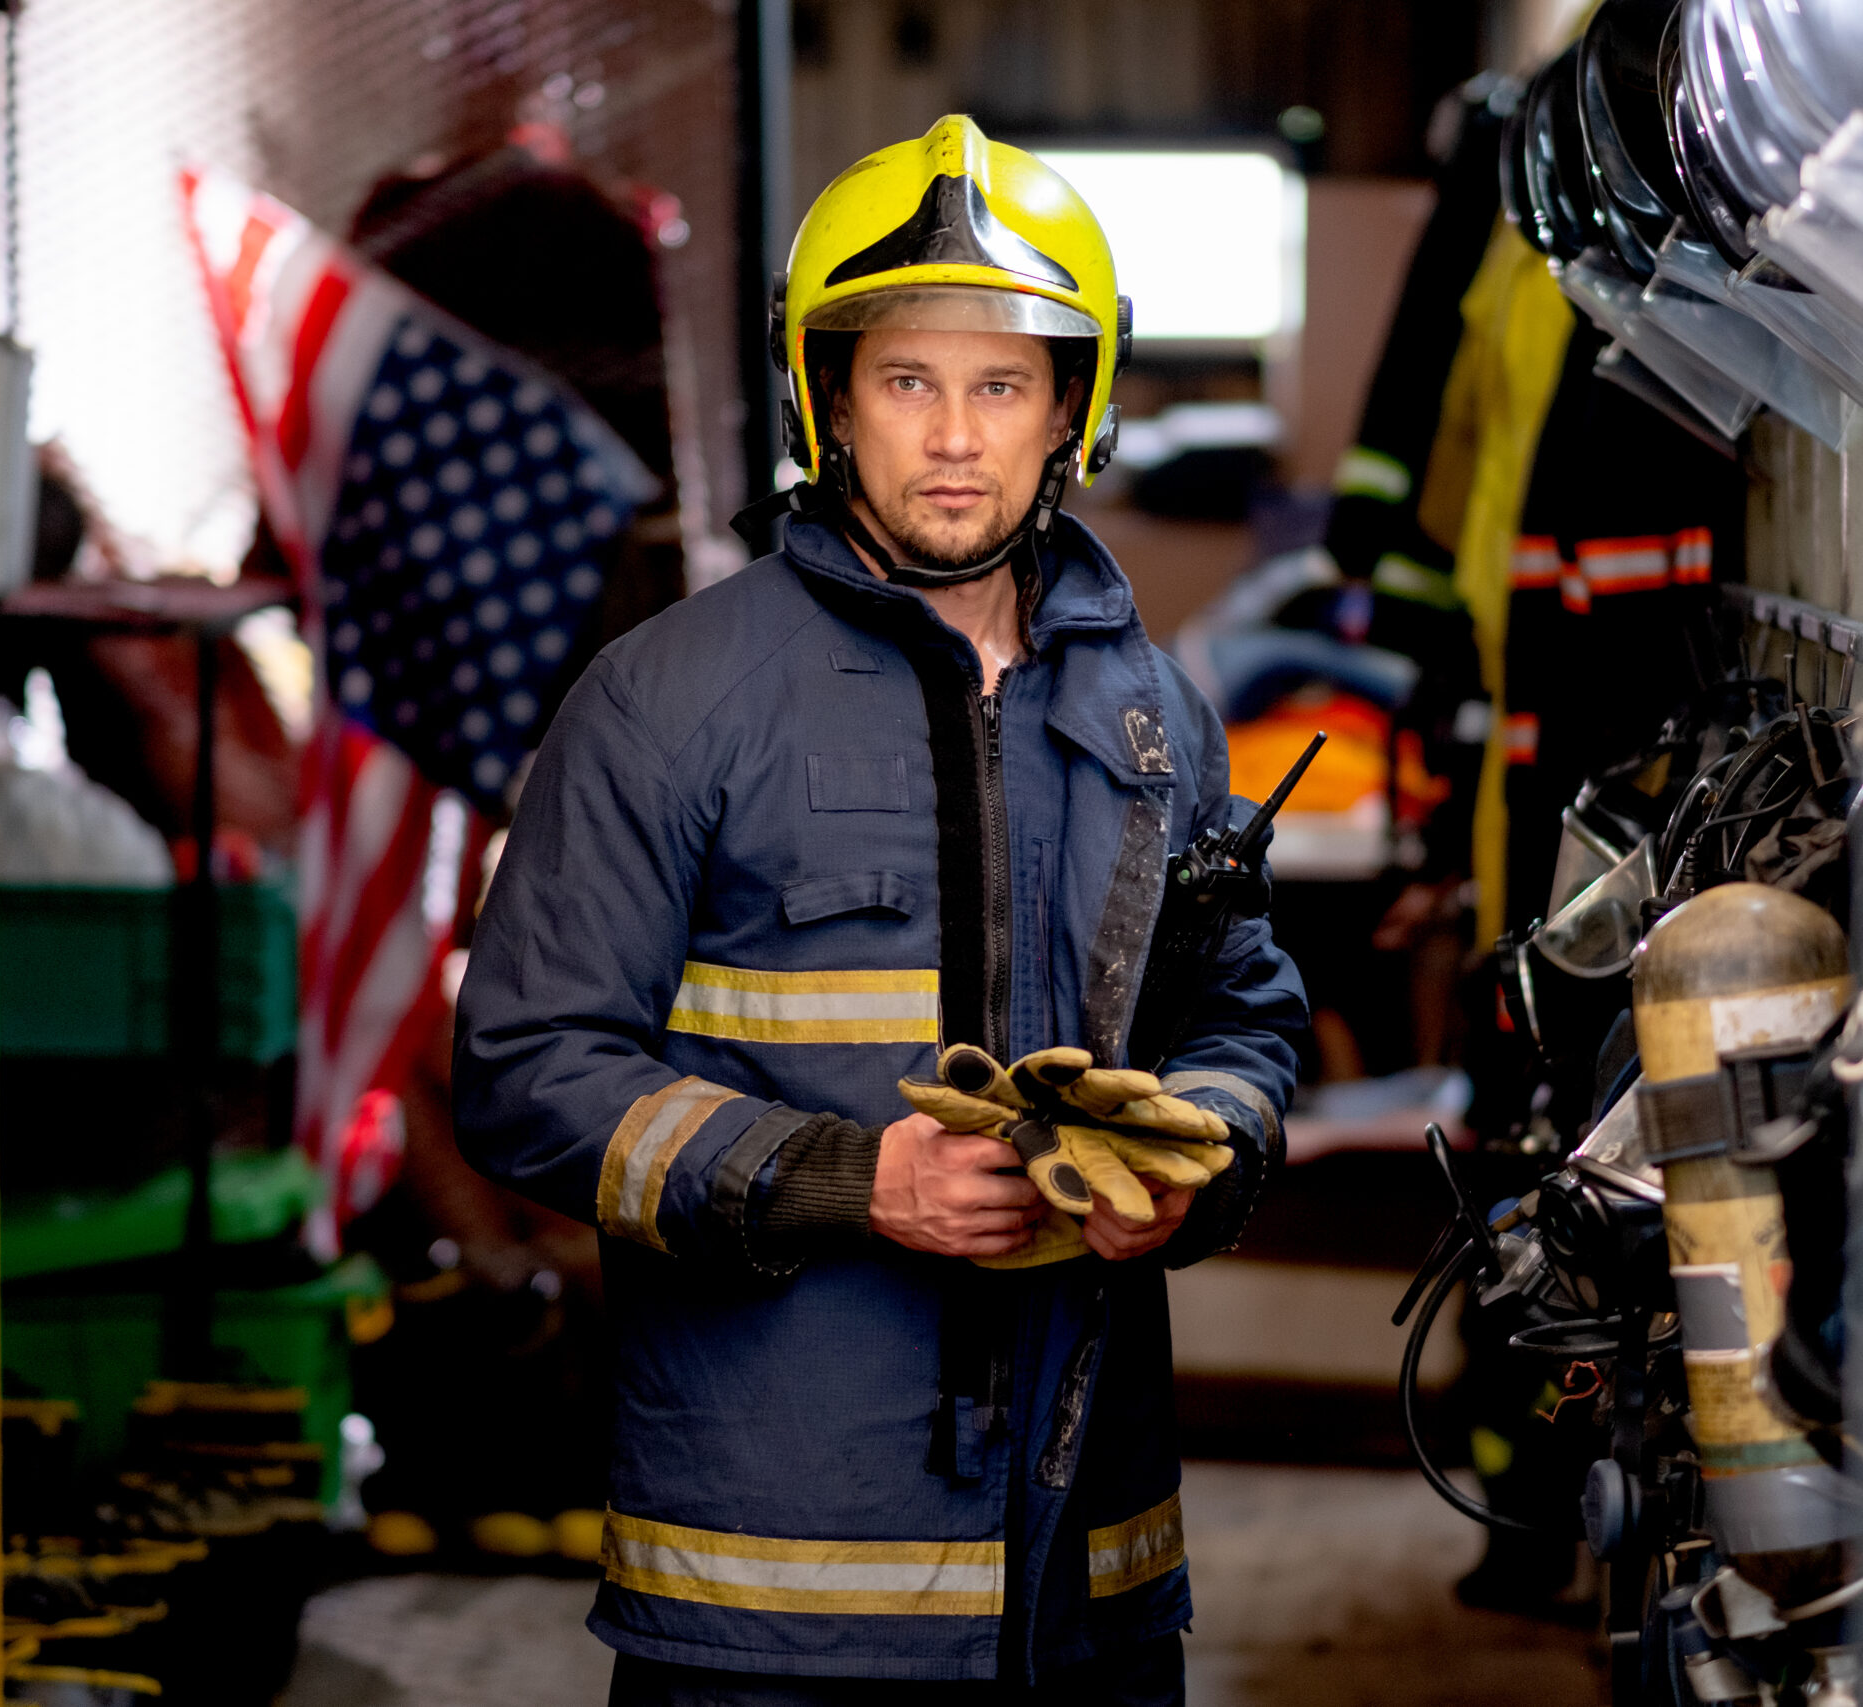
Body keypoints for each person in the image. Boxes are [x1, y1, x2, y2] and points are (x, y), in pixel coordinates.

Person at [452, 115, 1307, 1704]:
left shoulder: (1157, 719)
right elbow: (528, 1071)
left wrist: (1198, 1149)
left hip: (1094, 1592)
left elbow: (1240, 1008)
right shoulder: (668, 702)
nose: (957, 437)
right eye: (909, 380)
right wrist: (855, 1183)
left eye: (1004, 383)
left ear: (1076, 408)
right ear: (829, 397)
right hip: (773, 1606)